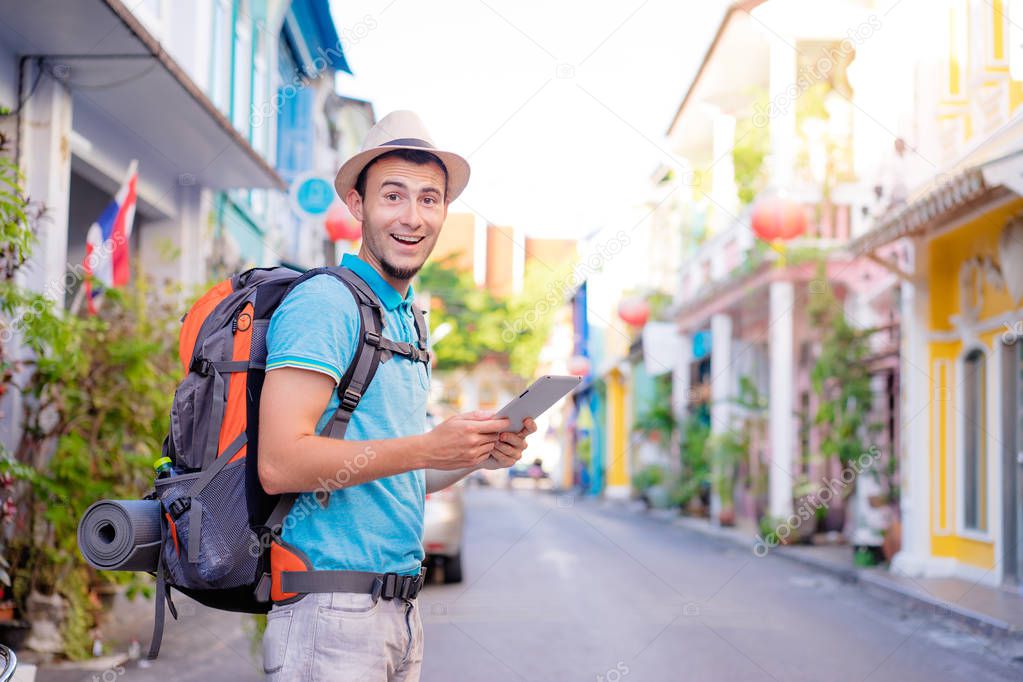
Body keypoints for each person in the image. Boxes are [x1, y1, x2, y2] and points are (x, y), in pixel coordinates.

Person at [258, 110, 537, 681]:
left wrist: (473, 452)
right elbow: (279, 463)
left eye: (429, 199)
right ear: (357, 205)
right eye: (393, 196)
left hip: (398, 614)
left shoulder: (405, 320)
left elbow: (398, 474)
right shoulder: (326, 305)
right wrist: (427, 447)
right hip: (329, 614)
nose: (413, 217)